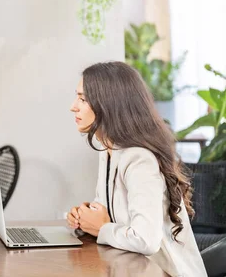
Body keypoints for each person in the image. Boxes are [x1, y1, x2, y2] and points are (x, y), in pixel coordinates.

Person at [66, 62, 206, 277]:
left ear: (108, 105)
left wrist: (101, 228)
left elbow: (145, 240)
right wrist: (85, 217)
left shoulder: (140, 159)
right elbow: (105, 212)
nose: (73, 106)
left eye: (83, 99)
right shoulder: (107, 149)